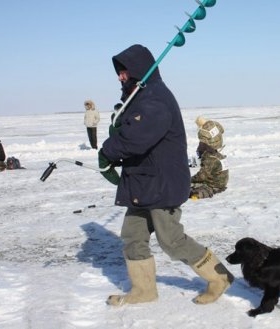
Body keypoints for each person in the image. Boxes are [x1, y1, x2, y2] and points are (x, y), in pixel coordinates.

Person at [98, 44, 234, 306]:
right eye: (119, 72)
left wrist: (108, 151)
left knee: (171, 240)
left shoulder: (154, 99)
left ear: (138, 71)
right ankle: (143, 290)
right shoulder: (140, 97)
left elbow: (136, 138)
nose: (120, 77)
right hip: (143, 181)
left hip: (162, 183)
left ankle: (219, 278)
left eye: (124, 71)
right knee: (133, 236)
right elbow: (130, 131)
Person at [190, 116, 229, 199]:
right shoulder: (215, 124)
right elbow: (222, 130)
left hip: (214, 185)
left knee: (191, 188)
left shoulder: (203, 132)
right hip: (217, 146)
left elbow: (202, 176)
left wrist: (190, 179)